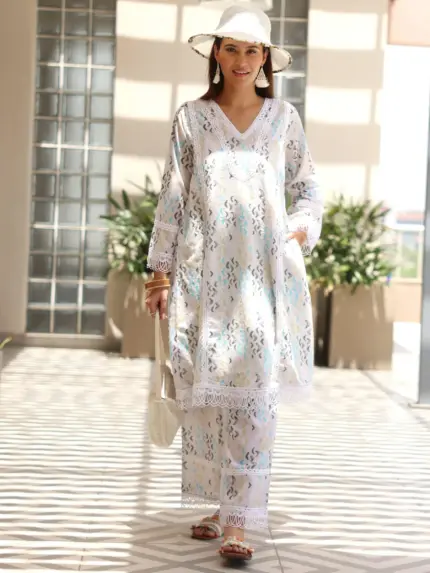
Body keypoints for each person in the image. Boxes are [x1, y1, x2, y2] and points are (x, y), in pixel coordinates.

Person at [145, 4, 323, 562]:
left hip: (263, 281)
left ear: (265, 57)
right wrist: (159, 273)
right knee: (208, 395)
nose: (242, 60)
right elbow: (173, 196)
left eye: (252, 50)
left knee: (254, 398)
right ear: (216, 54)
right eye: (232, 49)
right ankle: (223, 507)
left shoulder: (284, 119)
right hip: (202, 278)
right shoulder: (191, 119)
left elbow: (308, 188)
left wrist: (297, 231)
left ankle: (240, 522)